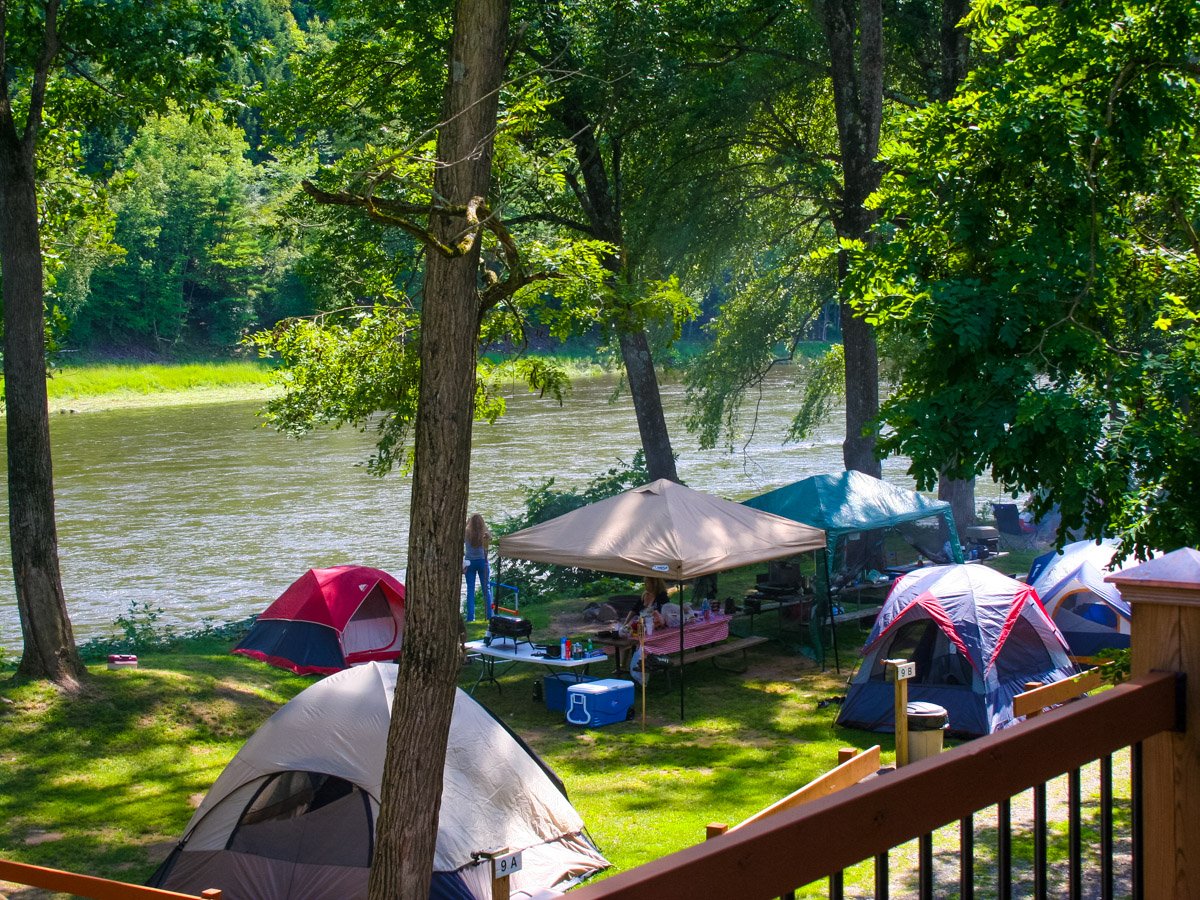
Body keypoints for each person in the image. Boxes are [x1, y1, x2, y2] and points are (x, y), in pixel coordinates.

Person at [463, 513, 492, 622]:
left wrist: (467, 522)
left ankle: (470, 617)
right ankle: (490, 615)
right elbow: (490, 542)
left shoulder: (466, 533)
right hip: (482, 562)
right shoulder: (485, 534)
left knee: (470, 590)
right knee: (486, 589)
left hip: (470, 563)